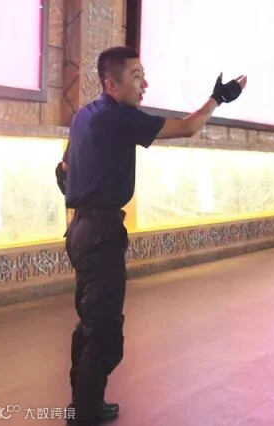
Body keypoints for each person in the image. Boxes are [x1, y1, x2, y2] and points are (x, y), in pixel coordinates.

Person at [55, 46, 247, 425]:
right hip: (100, 235)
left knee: (90, 322)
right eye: (136, 76)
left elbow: (63, 170)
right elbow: (188, 127)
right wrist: (218, 98)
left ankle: (85, 403)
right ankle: (84, 414)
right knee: (104, 329)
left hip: (80, 231)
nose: (144, 84)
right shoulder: (119, 116)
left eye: (143, 74)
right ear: (111, 84)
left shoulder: (84, 116)